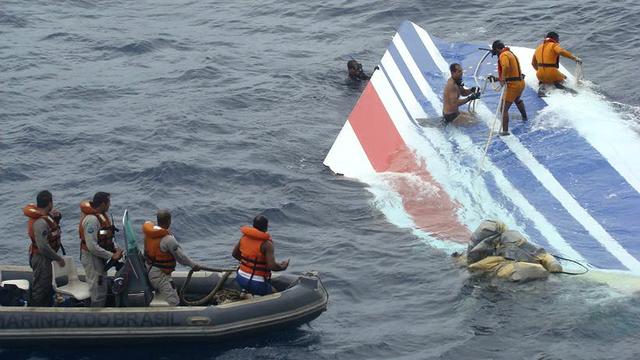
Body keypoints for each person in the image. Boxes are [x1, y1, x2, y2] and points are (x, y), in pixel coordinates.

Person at [143, 209, 203, 306]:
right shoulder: (168, 240)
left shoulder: (149, 235)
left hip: (150, 270)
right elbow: (181, 257)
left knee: (171, 292)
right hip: (160, 275)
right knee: (174, 301)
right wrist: (193, 265)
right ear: (169, 221)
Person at [79, 192, 123, 307]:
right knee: (97, 289)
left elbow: (105, 234)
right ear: (103, 204)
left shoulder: (102, 217)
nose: (110, 205)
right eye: (109, 203)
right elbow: (92, 246)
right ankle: (94, 316)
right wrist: (111, 255)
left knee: (101, 286)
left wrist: (115, 249)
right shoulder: (92, 220)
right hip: (92, 258)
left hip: (99, 257)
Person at [23, 191, 65, 306]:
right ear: (50, 203)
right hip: (41, 258)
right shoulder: (40, 222)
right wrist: (58, 258)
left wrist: (56, 220)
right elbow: (43, 247)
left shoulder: (46, 217)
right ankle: (36, 312)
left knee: (47, 285)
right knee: (41, 287)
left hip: (46, 257)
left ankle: (46, 305)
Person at [232, 215, 289, 296]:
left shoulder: (244, 237)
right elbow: (272, 266)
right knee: (275, 295)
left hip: (240, 278)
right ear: (266, 227)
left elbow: (234, 254)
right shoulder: (267, 244)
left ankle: (246, 292)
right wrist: (283, 267)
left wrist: (248, 264)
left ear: (253, 225)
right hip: (256, 283)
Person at [490, 40, 527, 136]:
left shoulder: (503, 55)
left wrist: (502, 79)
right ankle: (524, 117)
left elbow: (505, 66)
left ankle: (505, 131)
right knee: (517, 99)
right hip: (521, 83)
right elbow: (512, 74)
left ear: (498, 49)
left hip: (513, 86)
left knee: (503, 109)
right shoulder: (510, 53)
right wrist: (498, 79)